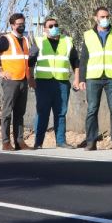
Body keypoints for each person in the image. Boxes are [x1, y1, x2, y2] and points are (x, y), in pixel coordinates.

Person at [78, 6, 112, 150]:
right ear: (96, 18)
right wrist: (82, 79)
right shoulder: (88, 35)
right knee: (92, 109)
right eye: (102, 17)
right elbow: (83, 59)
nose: (105, 19)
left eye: (107, 16)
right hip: (93, 78)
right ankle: (91, 141)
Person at [29, 17, 80, 149]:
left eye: (56, 25)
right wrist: (30, 78)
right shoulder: (39, 41)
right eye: (50, 26)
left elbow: (75, 61)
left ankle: (61, 141)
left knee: (61, 112)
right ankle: (38, 142)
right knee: (42, 112)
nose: (54, 28)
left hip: (62, 83)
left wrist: (77, 78)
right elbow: (31, 61)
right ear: (45, 29)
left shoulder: (68, 41)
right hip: (43, 83)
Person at [0, 13, 33, 151]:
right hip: (11, 81)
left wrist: (30, 78)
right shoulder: (6, 39)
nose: (22, 26)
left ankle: (19, 141)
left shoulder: (25, 40)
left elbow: (27, 60)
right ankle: (6, 142)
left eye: (23, 23)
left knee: (20, 113)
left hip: (23, 80)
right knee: (7, 112)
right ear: (12, 25)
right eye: (19, 24)